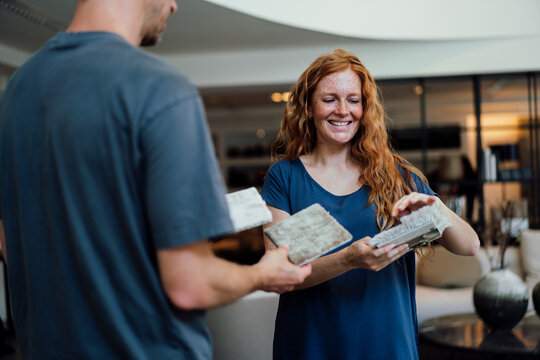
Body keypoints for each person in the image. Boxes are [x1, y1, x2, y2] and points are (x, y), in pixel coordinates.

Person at [0, 1, 311, 359]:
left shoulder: (17, 91)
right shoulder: (160, 89)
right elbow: (190, 284)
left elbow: (14, 245)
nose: (174, 6)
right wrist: (263, 274)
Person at [261, 49, 480, 360]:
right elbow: (277, 275)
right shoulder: (284, 177)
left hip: (387, 346)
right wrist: (349, 259)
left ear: (365, 108)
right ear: (308, 107)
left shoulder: (396, 172)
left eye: (353, 100)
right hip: (311, 346)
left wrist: (436, 209)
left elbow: (469, 245)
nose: (343, 110)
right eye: (329, 99)